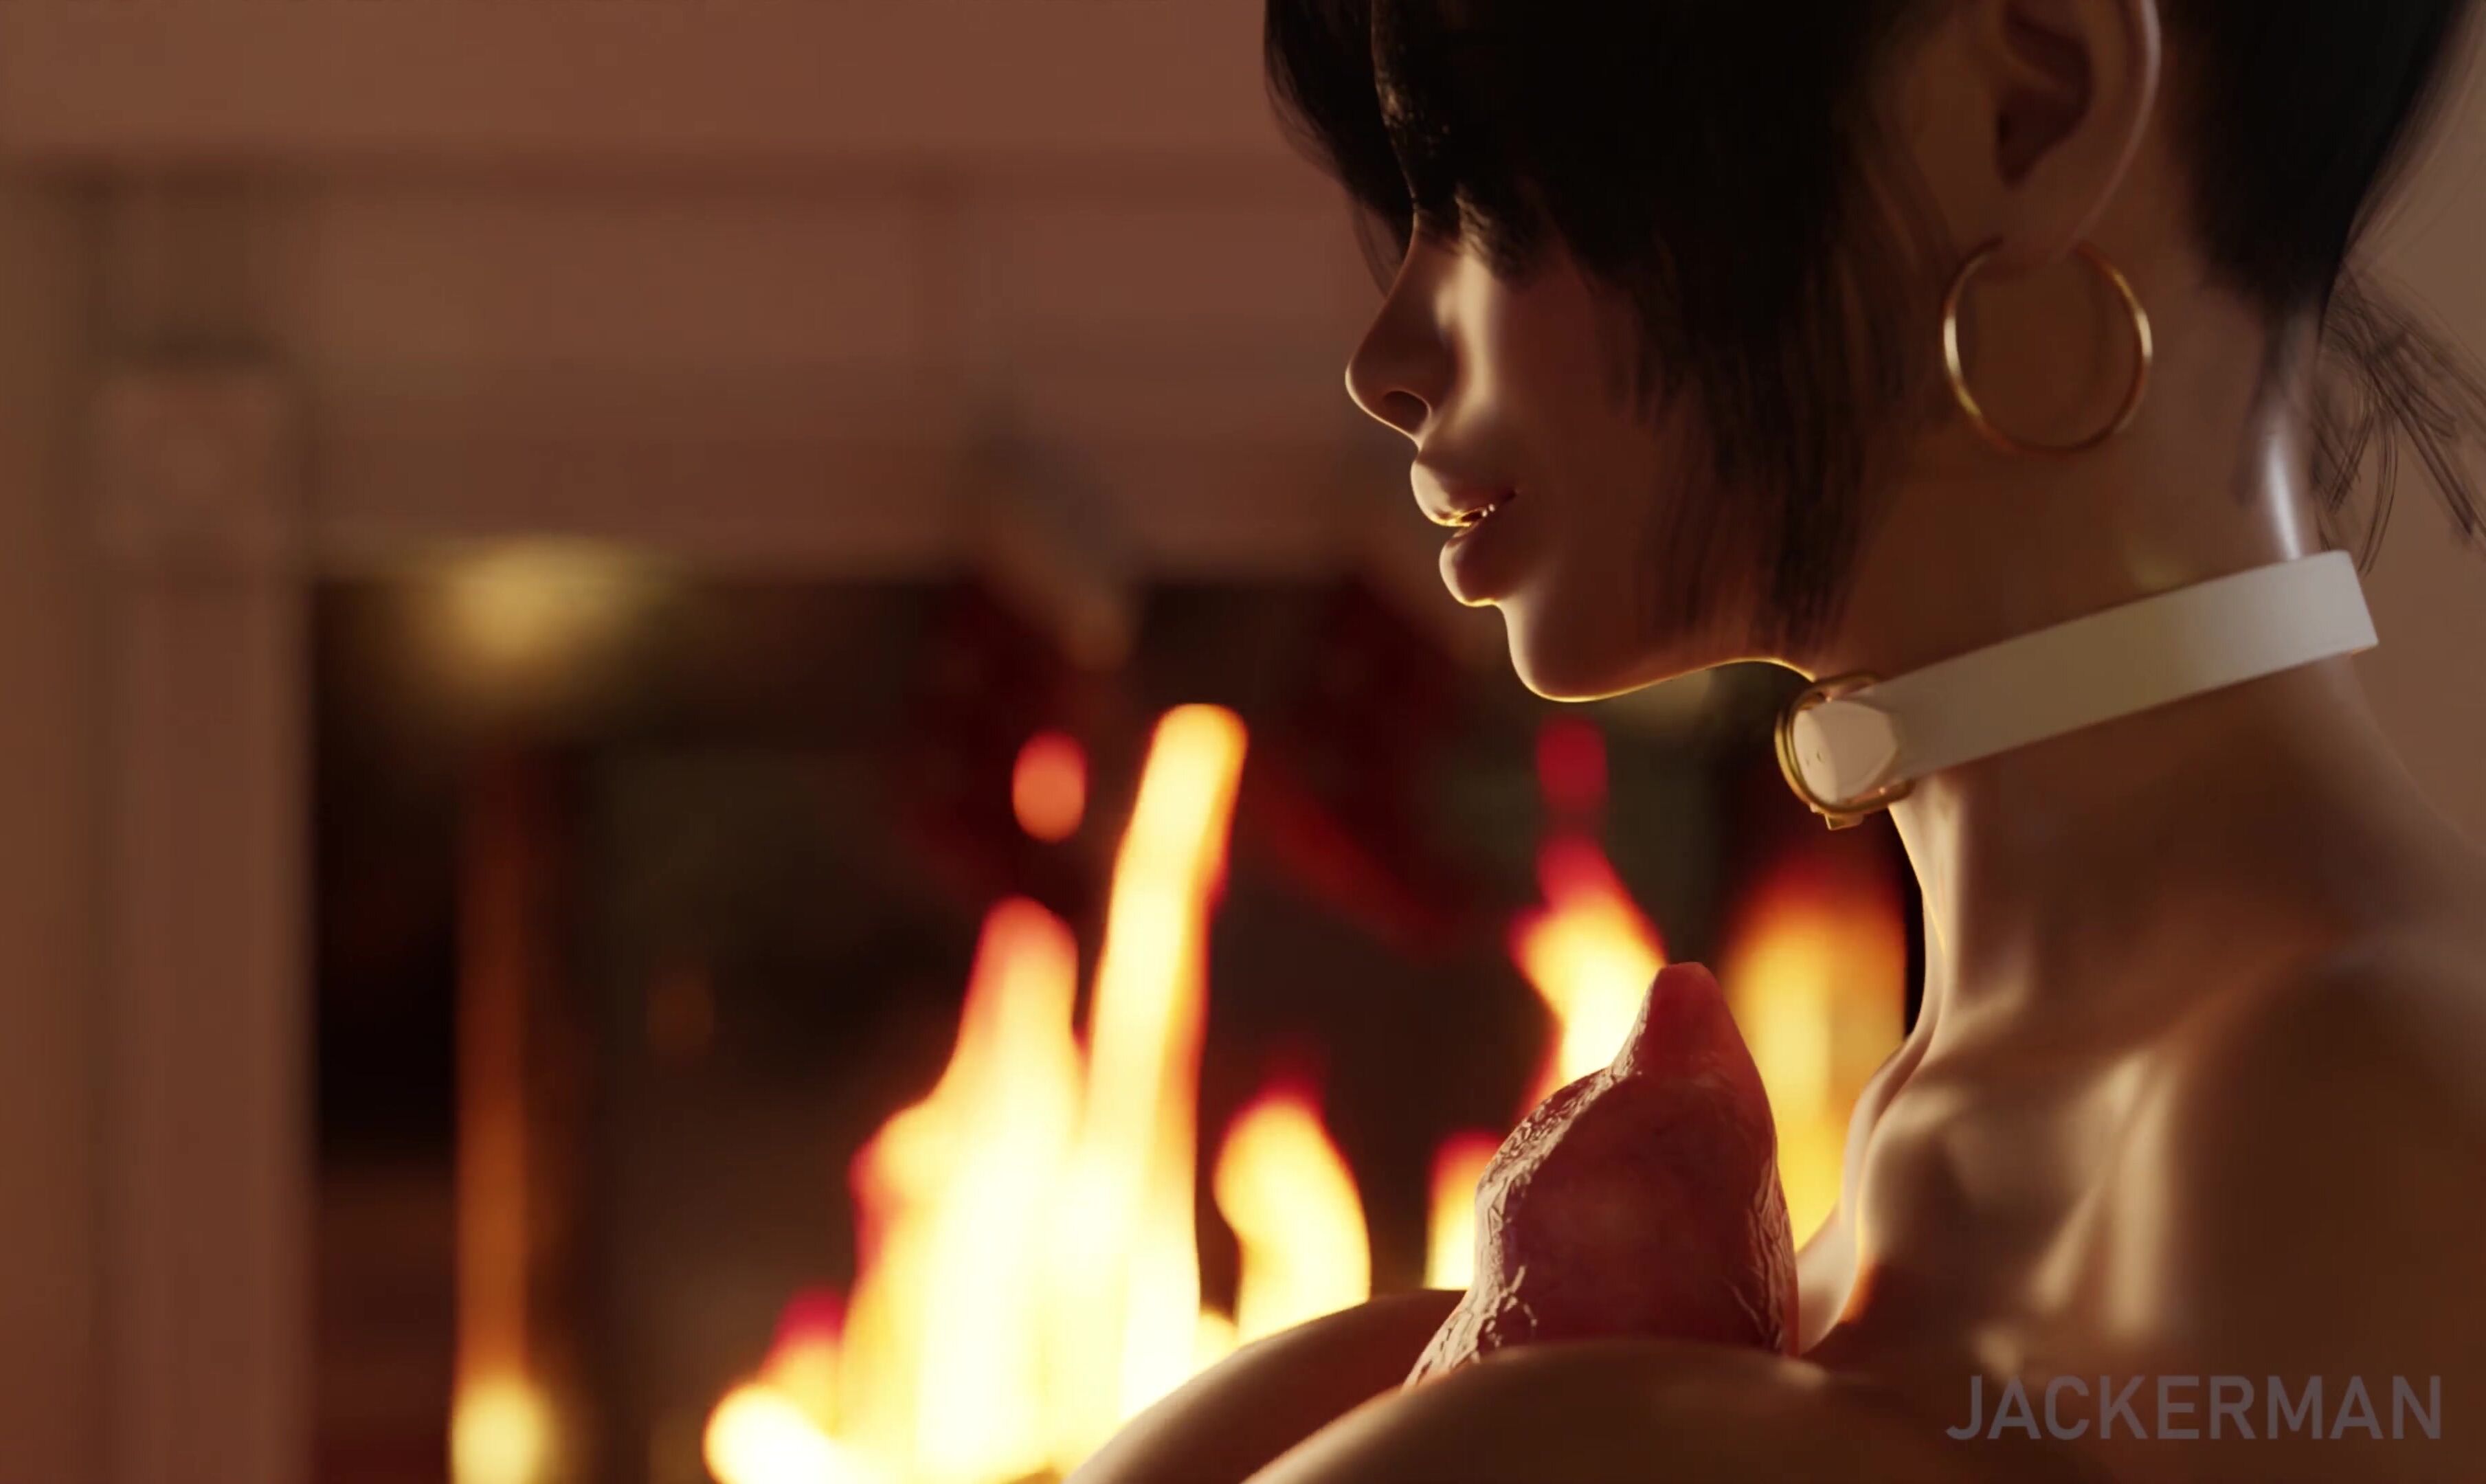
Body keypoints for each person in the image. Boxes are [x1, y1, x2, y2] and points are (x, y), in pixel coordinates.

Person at [1068, 1, 2486, 1481]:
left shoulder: (2372, 1140)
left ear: (2026, 112)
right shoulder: (1946, 1183)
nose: (1389, 357)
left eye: (1484, 186)